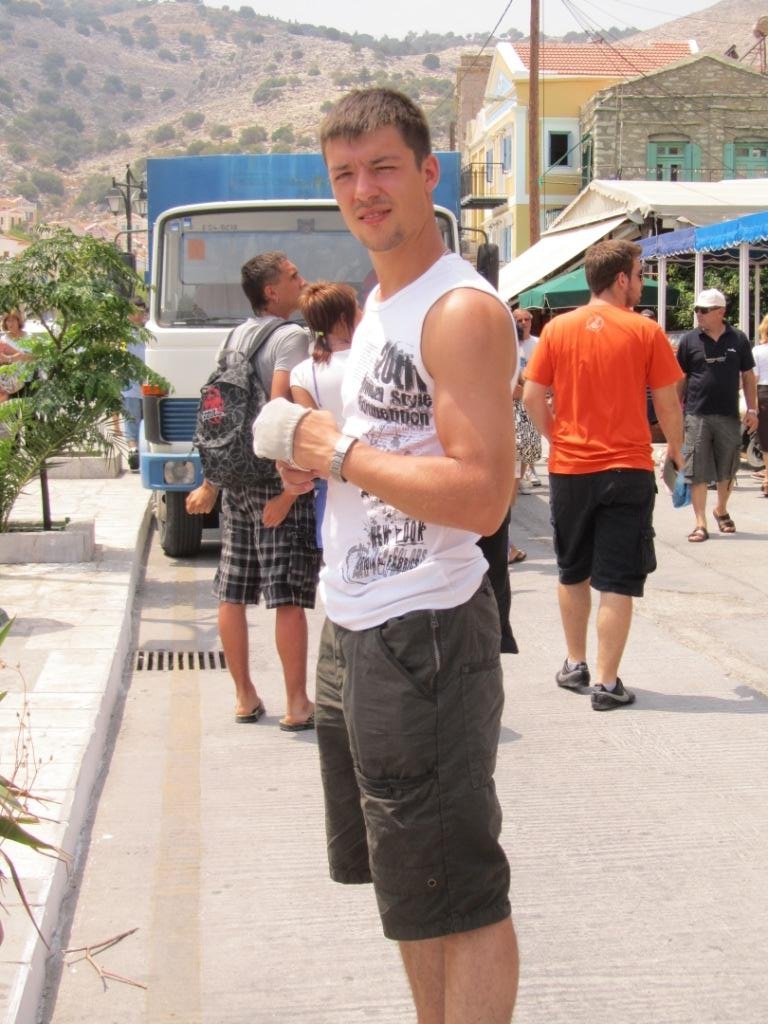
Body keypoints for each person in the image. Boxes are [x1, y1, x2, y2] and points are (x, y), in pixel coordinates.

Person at [255, 88, 519, 1022]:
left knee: (459, 888)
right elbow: (386, 453)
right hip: (358, 620)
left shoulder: (458, 310)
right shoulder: (379, 305)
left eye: (383, 168)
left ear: (428, 173)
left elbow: (484, 495)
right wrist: (314, 464)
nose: (364, 190)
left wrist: (339, 455)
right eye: (345, 175)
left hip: (427, 629)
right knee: (409, 884)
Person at [523, 239, 684, 711]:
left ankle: (575, 663)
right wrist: (677, 452)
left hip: (570, 469)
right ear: (620, 279)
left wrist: (559, 438)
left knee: (572, 570)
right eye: (639, 274)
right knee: (617, 579)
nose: (642, 283)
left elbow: (532, 396)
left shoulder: (556, 330)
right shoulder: (645, 330)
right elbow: (668, 403)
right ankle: (607, 683)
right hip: (627, 468)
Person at [186, 252, 320, 730]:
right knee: (287, 595)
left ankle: (244, 697)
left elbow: (220, 415)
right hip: (273, 478)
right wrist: (289, 492)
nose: (301, 280)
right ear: (271, 291)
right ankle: (297, 704)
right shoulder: (291, 337)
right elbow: (280, 409)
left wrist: (212, 481)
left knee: (233, 590)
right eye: (293, 276)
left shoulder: (234, 336)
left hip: (236, 479)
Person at [675, 288, 757, 541]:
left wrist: (752, 409)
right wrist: (675, 411)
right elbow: (680, 378)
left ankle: (721, 509)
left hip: (728, 415)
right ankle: (700, 523)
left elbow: (748, 376)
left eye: (703, 310)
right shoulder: (689, 341)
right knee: (697, 470)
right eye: (696, 310)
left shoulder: (738, 339)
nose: (698, 314)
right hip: (696, 414)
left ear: (720, 312)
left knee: (727, 469)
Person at [291, 281, 360, 544]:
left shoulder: (302, 374)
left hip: (338, 493)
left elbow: (313, 444)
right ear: (343, 319)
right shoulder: (377, 360)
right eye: (357, 307)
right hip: (386, 479)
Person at [512, 307, 542, 494]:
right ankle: (516, 482)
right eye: (519, 320)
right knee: (518, 445)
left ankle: (524, 475)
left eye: (526, 319)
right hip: (512, 403)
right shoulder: (509, 345)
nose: (523, 323)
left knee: (528, 444)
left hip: (530, 399)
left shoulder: (538, 343)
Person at [121, 298, 148, 469]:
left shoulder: (151, 332)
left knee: (148, 421)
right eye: (134, 312)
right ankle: (133, 452)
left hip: (149, 384)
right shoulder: (122, 334)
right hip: (130, 385)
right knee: (131, 419)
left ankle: (144, 453)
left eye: (141, 312)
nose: (137, 316)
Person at [0, 309, 34, 402]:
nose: (10, 323)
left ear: (19, 321)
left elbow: (34, 357)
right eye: (8, 320)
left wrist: (10, 358)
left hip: (27, 380)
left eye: (13, 320)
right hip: (9, 383)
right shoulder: (3, 340)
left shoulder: (29, 337)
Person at [753, 313, 768, 496]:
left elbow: (753, 378)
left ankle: (767, 479)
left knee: (765, 438)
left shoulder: (757, 351)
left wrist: (752, 404)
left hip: (764, 393)